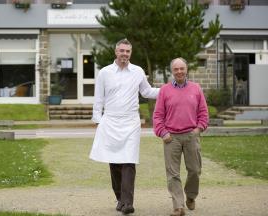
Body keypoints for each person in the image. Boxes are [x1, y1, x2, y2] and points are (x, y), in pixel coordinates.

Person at [89, 38, 159, 215]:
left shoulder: (137, 71)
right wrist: (98, 121)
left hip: (131, 122)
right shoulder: (104, 72)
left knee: (129, 161)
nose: (124, 54)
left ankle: (128, 203)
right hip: (110, 121)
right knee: (114, 163)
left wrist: (168, 90)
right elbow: (98, 99)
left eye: (127, 51)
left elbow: (147, 91)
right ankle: (120, 198)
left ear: (131, 53)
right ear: (116, 51)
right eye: (122, 51)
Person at [153, 57, 209, 216]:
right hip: (171, 138)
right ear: (172, 71)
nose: (179, 71)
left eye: (181, 68)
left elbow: (203, 113)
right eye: (176, 69)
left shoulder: (196, 88)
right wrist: (163, 133)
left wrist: (199, 129)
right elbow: (157, 115)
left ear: (186, 70)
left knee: (194, 170)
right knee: (173, 174)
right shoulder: (164, 90)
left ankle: (191, 196)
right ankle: (178, 206)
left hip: (191, 135)